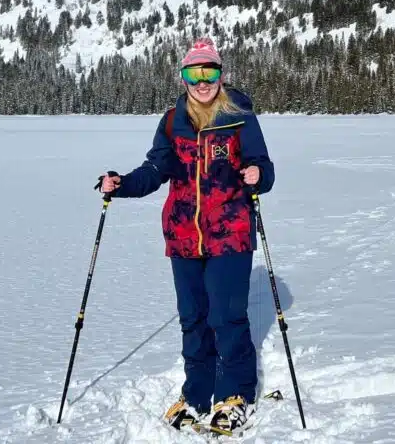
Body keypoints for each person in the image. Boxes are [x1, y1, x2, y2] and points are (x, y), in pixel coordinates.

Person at [99, 37, 275, 434]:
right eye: (194, 73)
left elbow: (263, 165)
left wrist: (258, 175)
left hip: (229, 232)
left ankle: (236, 394)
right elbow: (154, 171)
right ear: (183, 78)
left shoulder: (239, 116)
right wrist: (121, 184)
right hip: (183, 236)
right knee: (193, 319)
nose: (202, 81)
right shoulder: (171, 122)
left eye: (209, 71)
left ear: (220, 74)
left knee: (227, 317)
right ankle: (197, 392)